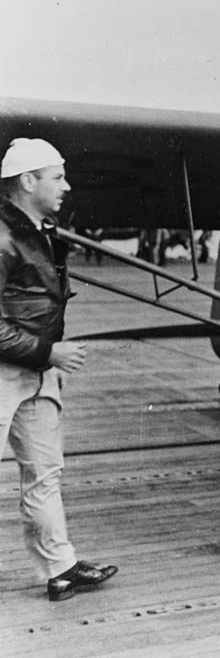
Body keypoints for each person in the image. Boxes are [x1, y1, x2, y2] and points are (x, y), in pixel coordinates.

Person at [0, 138, 118, 601]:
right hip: (15, 368)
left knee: (45, 474)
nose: (66, 187)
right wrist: (48, 353)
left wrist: (46, 361)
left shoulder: (39, 230)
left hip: (34, 371)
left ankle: (61, 568)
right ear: (28, 182)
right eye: (57, 177)